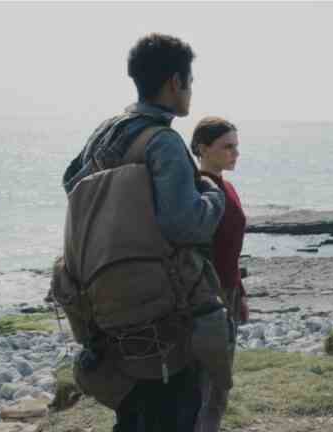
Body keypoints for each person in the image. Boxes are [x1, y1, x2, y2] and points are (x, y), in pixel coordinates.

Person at [61, 33, 226, 432]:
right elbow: (183, 224)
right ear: (175, 82)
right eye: (190, 81)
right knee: (174, 410)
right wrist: (212, 194)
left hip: (106, 307)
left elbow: (71, 182)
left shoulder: (108, 131)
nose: (190, 90)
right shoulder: (163, 142)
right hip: (161, 311)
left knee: (135, 414)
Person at [190, 116, 249, 432]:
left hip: (229, 293)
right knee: (209, 378)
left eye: (236, 146)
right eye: (227, 147)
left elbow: (231, 249)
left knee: (220, 378)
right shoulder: (196, 189)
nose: (235, 153)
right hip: (205, 298)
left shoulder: (229, 187)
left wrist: (240, 293)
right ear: (203, 148)